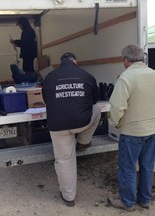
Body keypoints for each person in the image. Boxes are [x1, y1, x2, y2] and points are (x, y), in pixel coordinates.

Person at [107, 44, 155, 211]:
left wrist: (115, 123)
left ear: (126, 60)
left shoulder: (126, 77)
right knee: (147, 166)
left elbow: (117, 107)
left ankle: (128, 202)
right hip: (153, 129)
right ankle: (145, 200)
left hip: (132, 132)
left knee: (128, 167)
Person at [42, 52, 101, 207]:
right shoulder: (86, 75)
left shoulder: (49, 76)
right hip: (82, 122)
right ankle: (83, 141)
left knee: (64, 160)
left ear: (60, 63)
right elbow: (95, 100)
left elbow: (46, 100)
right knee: (97, 109)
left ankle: (69, 198)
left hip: (57, 125)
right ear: (76, 61)